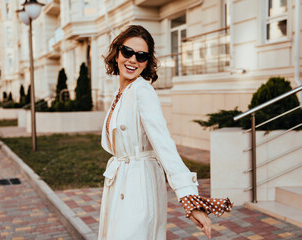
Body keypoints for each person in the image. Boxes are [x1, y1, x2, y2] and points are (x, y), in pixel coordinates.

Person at [98, 25, 232, 240]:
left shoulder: (142, 91)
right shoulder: (121, 93)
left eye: (141, 56)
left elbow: (164, 145)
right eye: (127, 52)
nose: (133, 60)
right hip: (120, 180)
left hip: (138, 184)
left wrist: (189, 196)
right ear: (117, 53)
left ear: (147, 62)